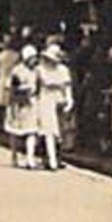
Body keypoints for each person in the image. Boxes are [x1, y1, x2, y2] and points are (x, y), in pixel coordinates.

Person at [36, 42, 74, 171]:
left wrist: (69, 100)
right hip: (45, 100)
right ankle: (51, 159)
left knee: (60, 132)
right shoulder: (40, 69)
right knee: (48, 131)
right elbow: (39, 85)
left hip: (59, 101)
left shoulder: (63, 70)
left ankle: (57, 157)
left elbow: (67, 86)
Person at [5, 44, 42, 169]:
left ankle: (30, 159)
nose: (33, 60)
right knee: (15, 132)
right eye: (31, 58)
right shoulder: (17, 70)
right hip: (18, 104)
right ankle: (14, 156)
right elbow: (9, 86)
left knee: (32, 131)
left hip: (31, 104)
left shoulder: (37, 70)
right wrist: (21, 88)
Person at [0, 35, 20, 127]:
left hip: (2, 79)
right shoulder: (17, 55)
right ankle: (8, 122)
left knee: (1, 103)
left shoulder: (0, 56)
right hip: (12, 79)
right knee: (10, 102)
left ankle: (1, 123)